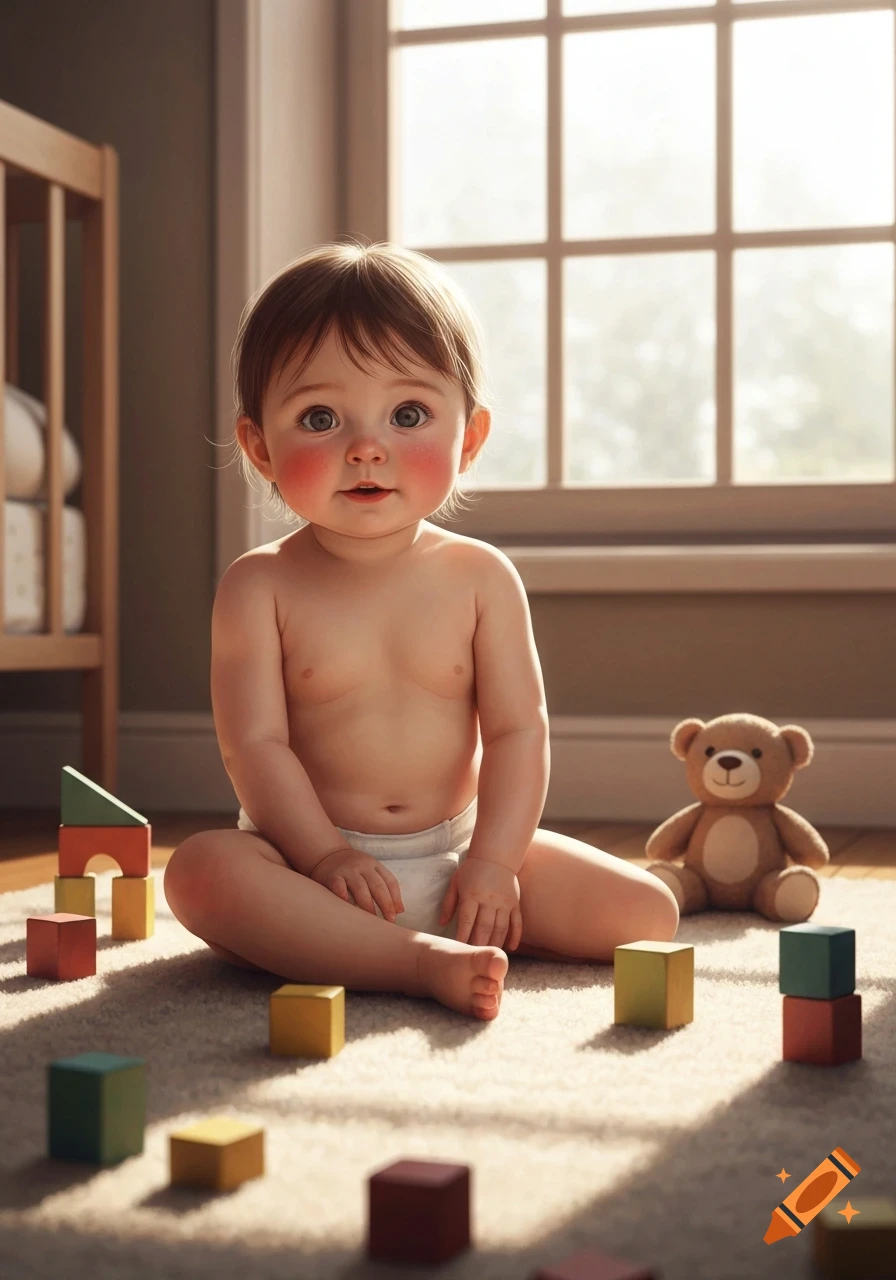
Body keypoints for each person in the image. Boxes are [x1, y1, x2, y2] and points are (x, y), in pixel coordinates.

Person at [164, 240, 679, 1022]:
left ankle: (423, 928)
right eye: (320, 417)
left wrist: (497, 863)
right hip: (307, 865)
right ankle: (408, 959)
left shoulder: (481, 577)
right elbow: (254, 748)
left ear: (468, 439)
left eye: (407, 414)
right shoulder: (258, 586)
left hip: (456, 855)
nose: (366, 447)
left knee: (649, 913)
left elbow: (516, 732)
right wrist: (324, 855)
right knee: (201, 874)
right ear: (260, 447)